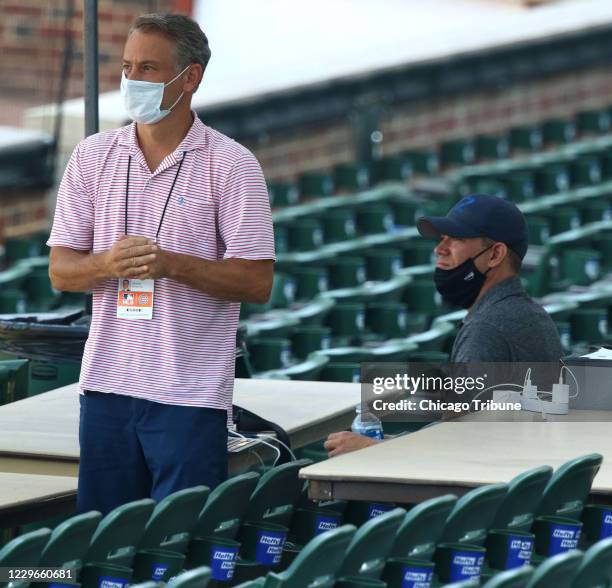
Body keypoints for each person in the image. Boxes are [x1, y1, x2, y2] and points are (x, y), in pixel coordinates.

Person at [48, 13, 275, 514]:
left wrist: (173, 265)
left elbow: (257, 282)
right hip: (106, 386)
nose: (132, 80)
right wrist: (108, 264)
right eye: (127, 66)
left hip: (189, 395)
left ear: (189, 77)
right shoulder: (92, 156)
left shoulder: (231, 164)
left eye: (148, 68)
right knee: (105, 542)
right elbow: (61, 270)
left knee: (178, 540)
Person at [325, 194, 563, 457]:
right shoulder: (531, 314)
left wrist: (372, 450)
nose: (440, 248)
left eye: (457, 238)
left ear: (495, 254)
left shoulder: (486, 331)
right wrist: (386, 442)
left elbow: (459, 455)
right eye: (442, 238)